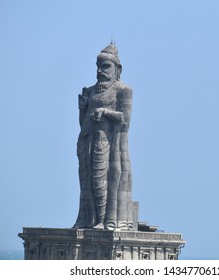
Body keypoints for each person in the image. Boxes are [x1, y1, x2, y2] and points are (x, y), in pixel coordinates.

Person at [73, 43, 134, 230]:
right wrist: (82, 107)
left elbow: (124, 120)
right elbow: (83, 123)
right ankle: (87, 219)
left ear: (118, 69)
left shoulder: (123, 91)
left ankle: (103, 220)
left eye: (106, 66)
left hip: (107, 143)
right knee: (87, 182)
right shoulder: (90, 91)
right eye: (98, 66)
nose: (100, 71)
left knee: (102, 180)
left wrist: (105, 112)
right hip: (88, 142)